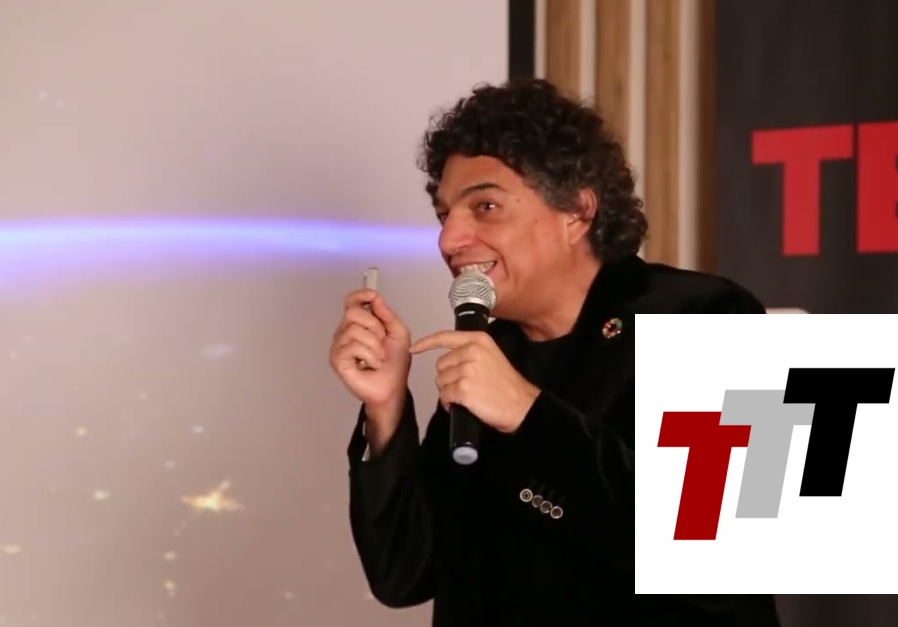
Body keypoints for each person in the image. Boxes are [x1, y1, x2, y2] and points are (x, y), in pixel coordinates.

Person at [327, 78, 782, 626]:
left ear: (578, 212)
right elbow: (404, 574)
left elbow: (717, 553)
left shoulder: (707, 314)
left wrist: (529, 414)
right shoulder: (492, 352)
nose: (449, 240)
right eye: (444, 215)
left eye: (485, 206)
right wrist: (387, 409)